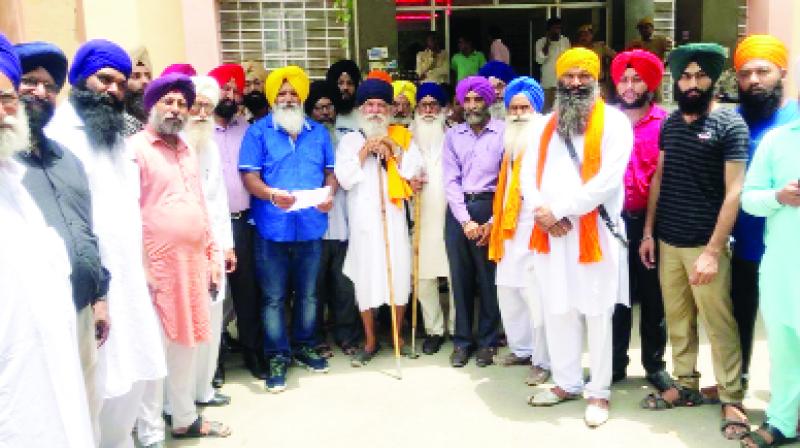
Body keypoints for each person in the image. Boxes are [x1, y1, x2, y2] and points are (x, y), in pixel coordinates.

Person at [43, 39, 168, 448]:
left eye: (120, 82)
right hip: (90, 284)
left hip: (129, 278)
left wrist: (145, 265)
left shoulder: (117, 135)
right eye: (104, 79)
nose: (113, 89)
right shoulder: (59, 135)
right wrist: (97, 292)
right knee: (98, 383)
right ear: (81, 79)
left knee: (135, 371)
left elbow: (131, 209)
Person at [637, 43, 750, 440]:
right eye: (685, 76)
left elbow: (734, 191)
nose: (692, 83)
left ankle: (731, 396)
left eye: (701, 76)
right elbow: (659, 178)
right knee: (678, 320)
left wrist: (714, 252)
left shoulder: (730, 124)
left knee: (719, 324)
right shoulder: (670, 124)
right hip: (668, 241)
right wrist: (649, 233)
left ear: (713, 79)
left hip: (705, 245)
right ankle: (685, 384)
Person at [522, 48, 631, 428]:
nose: (575, 83)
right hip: (552, 234)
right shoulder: (543, 126)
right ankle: (566, 381)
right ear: (559, 79)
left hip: (594, 232)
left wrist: (560, 210)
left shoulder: (615, 122)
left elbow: (607, 181)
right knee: (558, 306)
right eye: (569, 76)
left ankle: (599, 390)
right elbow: (527, 177)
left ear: (596, 80)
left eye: (584, 76)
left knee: (597, 311)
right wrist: (542, 213)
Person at [0, 32, 95, 448]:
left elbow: (87, 228)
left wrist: (100, 294)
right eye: (29, 83)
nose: (3, 110)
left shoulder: (23, 174)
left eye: (5, 98)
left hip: (71, 323)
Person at [133, 73, 231, 441]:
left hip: (192, 265)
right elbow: (129, 212)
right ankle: (150, 432)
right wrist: (143, 265)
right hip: (157, 268)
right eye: (168, 102)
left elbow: (201, 206)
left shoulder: (188, 149)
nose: (176, 109)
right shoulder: (136, 149)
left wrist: (212, 255)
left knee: (187, 345)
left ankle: (185, 418)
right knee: (155, 350)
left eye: (181, 104)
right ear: (153, 106)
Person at [239, 66, 335, 392]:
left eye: (294, 92)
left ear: (302, 96)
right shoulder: (258, 133)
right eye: (282, 93)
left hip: (311, 226)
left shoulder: (318, 133)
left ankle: (304, 345)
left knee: (309, 294)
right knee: (274, 297)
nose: (289, 98)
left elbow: (330, 172)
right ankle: (277, 356)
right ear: (273, 98)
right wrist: (270, 194)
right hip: (272, 228)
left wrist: (329, 194)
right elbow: (249, 177)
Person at [334, 78, 423, 366]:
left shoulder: (402, 136)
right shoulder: (350, 140)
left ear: (389, 110)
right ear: (361, 109)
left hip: (395, 219)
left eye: (380, 105)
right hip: (363, 223)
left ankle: (398, 337)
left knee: (399, 276)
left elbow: (415, 172)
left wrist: (392, 149)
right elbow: (344, 178)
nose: (375, 111)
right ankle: (370, 340)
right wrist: (365, 151)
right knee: (365, 280)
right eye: (369, 105)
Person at [729, 35, 799, 392]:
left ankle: (787, 396)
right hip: (742, 240)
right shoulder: (731, 119)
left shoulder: (796, 118)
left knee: (789, 323)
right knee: (740, 314)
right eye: (745, 74)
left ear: (782, 72)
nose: (753, 80)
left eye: (762, 72)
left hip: (788, 245)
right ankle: (737, 382)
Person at [608, 49, 670, 389]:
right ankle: (615, 363)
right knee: (615, 296)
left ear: (651, 84)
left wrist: (649, 230)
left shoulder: (665, 123)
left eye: (637, 80)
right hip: (612, 223)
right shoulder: (605, 121)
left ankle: (654, 364)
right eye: (624, 80)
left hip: (653, 223)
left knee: (652, 297)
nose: (629, 87)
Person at [487, 76, 551, 386]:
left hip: (535, 227)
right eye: (513, 108)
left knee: (535, 296)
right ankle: (522, 349)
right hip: (508, 226)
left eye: (524, 107)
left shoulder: (545, 137)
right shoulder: (510, 140)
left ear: (536, 109)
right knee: (509, 291)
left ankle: (543, 360)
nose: (518, 113)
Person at [209, 62, 266, 380]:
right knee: (214, 293)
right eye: (225, 89)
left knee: (248, 292)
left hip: (243, 222)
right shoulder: (197, 129)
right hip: (211, 226)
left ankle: (252, 353)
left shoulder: (247, 129)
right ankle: (214, 362)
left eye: (235, 90)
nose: (230, 95)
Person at [443, 76, 503, 368]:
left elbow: (507, 181)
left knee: (489, 280)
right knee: (461, 279)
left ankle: (488, 342)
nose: (472, 105)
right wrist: (465, 221)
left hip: (491, 207)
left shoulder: (504, 132)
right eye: (466, 100)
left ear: (488, 100)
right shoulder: (453, 135)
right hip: (459, 212)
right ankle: (463, 342)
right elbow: (450, 180)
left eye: (478, 99)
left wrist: (491, 220)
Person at [186, 74, 236, 406]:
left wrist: (227, 245)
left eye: (208, 106)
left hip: (213, 246)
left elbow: (219, 200)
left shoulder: (211, 148)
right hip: (182, 247)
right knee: (186, 322)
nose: (202, 113)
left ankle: (203, 389)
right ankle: (177, 399)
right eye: (197, 106)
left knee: (213, 314)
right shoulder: (171, 143)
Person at [305, 80, 362, 356]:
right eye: (319, 108)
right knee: (313, 288)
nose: (325, 113)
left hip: (342, 223)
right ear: (310, 112)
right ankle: (315, 339)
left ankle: (347, 336)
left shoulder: (346, 139)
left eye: (329, 107)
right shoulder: (304, 141)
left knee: (344, 286)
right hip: (313, 227)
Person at [409, 82, 454, 355]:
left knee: (456, 276)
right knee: (424, 279)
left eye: (433, 106)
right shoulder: (406, 138)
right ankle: (434, 329)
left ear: (442, 109)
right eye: (423, 106)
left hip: (452, 217)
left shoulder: (455, 135)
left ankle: (457, 328)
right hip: (420, 218)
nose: (428, 111)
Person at [535, 17, 571, 112]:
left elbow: (568, 61)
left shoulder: (565, 41)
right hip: (547, 84)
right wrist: (547, 43)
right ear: (548, 30)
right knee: (546, 113)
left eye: (559, 28)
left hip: (562, 84)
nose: (557, 31)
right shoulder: (540, 42)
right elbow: (539, 60)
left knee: (561, 112)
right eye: (554, 28)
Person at [574, 24, 616, 98]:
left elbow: (616, 57)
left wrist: (610, 71)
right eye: (581, 36)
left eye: (586, 35)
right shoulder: (575, 50)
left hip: (599, 84)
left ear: (592, 36)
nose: (584, 38)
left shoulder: (600, 47)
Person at [326, 59, 362, 131]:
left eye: (350, 83)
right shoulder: (323, 114)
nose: (345, 88)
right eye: (340, 83)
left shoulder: (363, 115)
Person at [124, 45, 152, 135]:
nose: (145, 81)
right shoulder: (118, 122)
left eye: (148, 76)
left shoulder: (154, 118)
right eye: (136, 76)